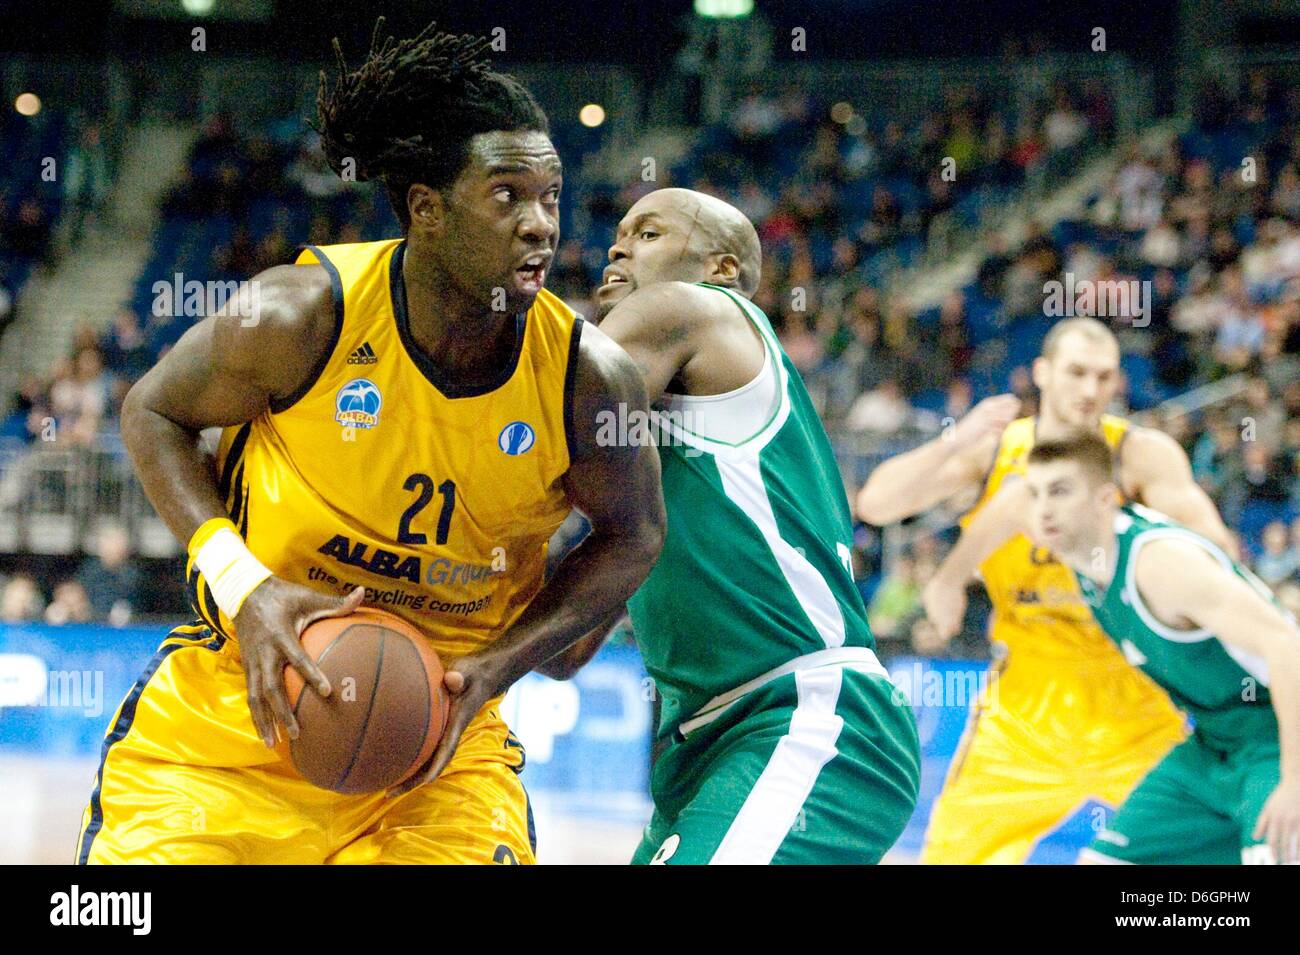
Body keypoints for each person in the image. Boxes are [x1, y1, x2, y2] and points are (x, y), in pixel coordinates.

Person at [76, 20, 665, 866]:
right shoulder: (298, 315)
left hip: (438, 752)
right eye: (507, 196)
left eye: (551, 196)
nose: (541, 224)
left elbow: (635, 532)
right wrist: (247, 588)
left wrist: (497, 666)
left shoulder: (586, 378)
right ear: (426, 207)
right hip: (232, 725)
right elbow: (152, 412)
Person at [542, 188, 920, 865]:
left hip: (804, 714)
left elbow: (533, 414)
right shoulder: (649, 461)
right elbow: (564, 654)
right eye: (620, 232)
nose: (619, 246)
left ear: (719, 268)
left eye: (650, 232)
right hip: (707, 745)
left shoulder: (695, 307)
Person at [856, 316, 1234, 864]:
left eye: (1104, 377)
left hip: (1136, 709)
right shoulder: (995, 453)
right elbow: (875, 505)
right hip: (1021, 720)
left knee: (1214, 866)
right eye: (1076, 372)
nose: (1089, 390)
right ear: (1043, 372)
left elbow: (1217, 551)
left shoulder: (1138, 456)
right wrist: (954, 440)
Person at [1022, 432, 1300, 864]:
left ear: (1104, 498)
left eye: (1060, 491)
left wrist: (1295, 782)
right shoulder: (1085, 568)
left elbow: (1287, 645)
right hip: (1213, 744)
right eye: (1034, 493)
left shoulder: (1160, 564)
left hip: (1278, 738)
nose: (1044, 509)